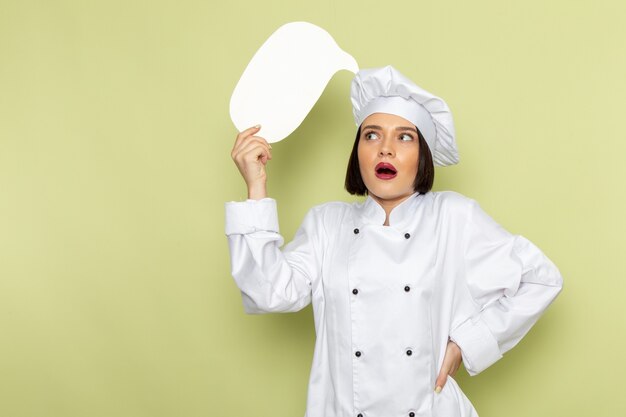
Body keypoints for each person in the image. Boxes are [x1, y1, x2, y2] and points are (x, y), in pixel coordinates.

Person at [225, 65, 563, 417]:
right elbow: (267, 292)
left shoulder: (453, 217)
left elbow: (541, 279)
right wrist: (256, 187)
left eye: (404, 137)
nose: (385, 149)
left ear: (423, 156)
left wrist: (469, 343)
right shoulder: (327, 224)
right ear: (358, 151)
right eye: (371, 135)